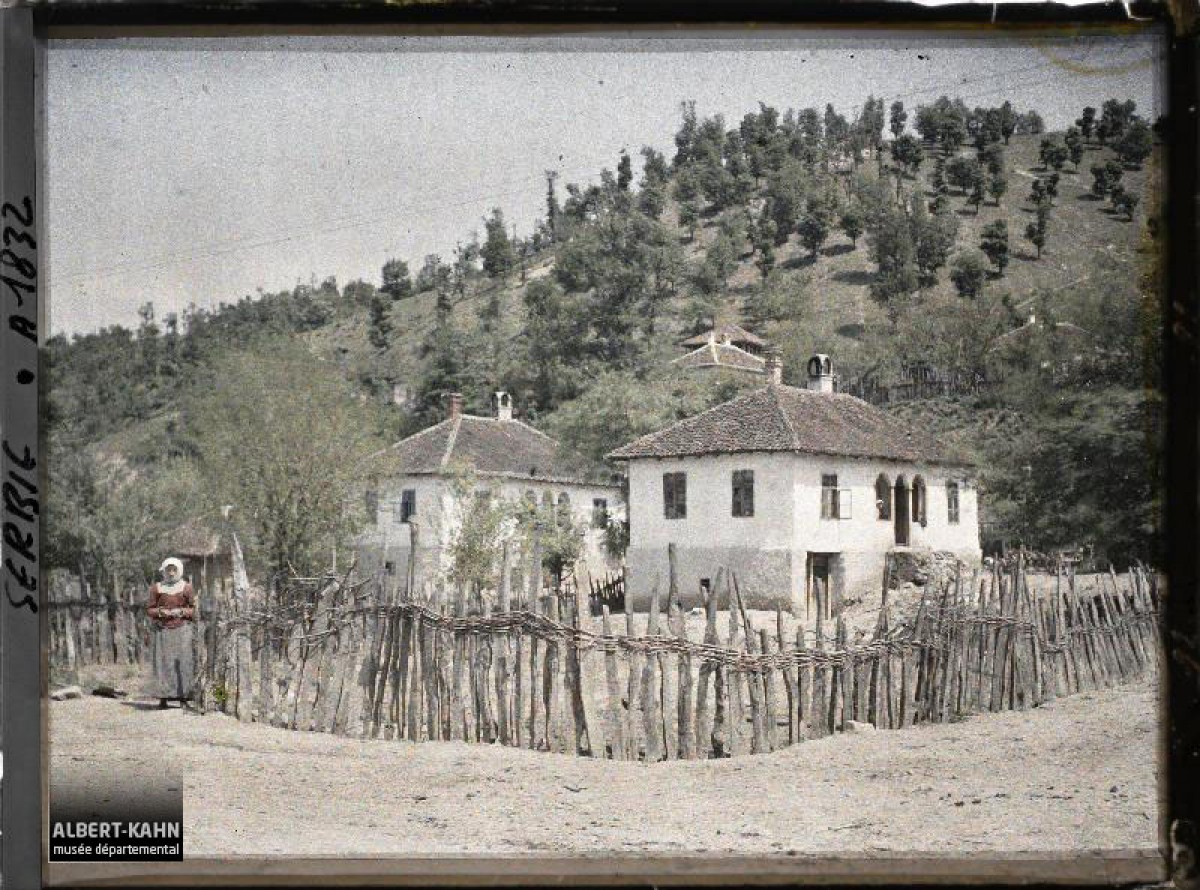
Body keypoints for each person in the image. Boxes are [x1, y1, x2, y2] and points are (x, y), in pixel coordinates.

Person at [147, 557, 196, 709]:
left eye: (174, 570)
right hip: (163, 630)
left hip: (182, 630)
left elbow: (193, 609)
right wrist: (161, 612)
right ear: (164, 571)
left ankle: (184, 697)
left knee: (183, 663)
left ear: (179, 571)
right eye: (169, 570)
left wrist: (181, 611)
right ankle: (163, 698)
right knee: (164, 663)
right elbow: (150, 609)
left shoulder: (186, 587)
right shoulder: (157, 588)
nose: (172, 573)